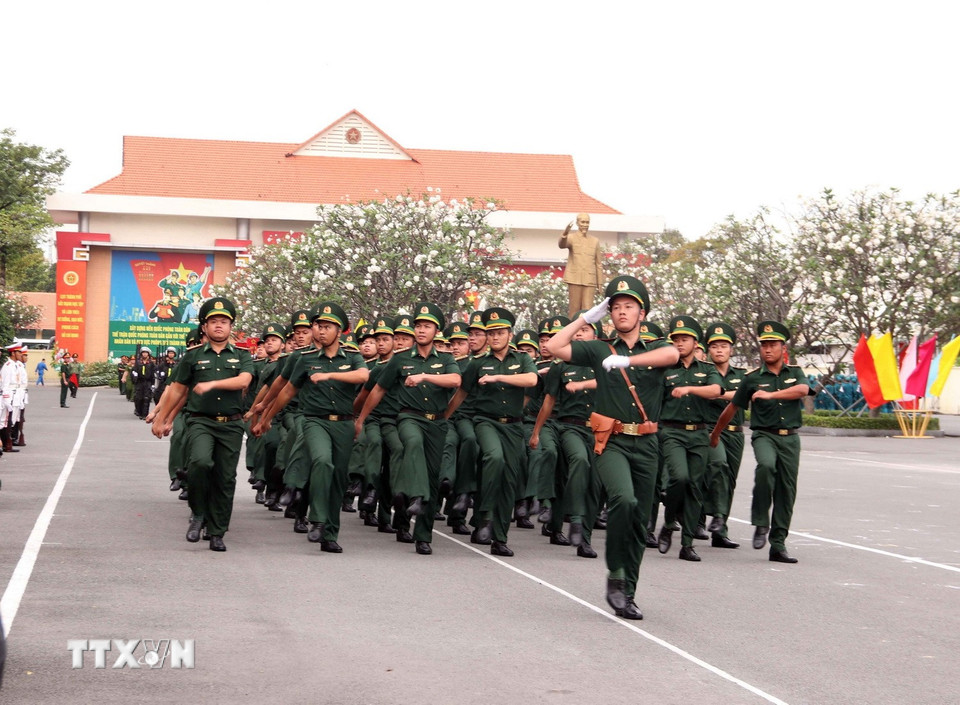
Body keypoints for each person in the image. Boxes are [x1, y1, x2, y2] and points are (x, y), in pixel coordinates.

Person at [544, 276, 679, 620]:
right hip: (611, 442)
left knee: (638, 522)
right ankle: (615, 576)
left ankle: (627, 592)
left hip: (647, 443)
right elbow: (556, 348)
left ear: (642, 313)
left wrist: (629, 362)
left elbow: (673, 353)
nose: (621, 312)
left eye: (628, 307)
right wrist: (585, 319)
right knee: (624, 499)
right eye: (615, 307)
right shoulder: (601, 348)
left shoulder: (655, 346)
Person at [254, 302, 369, 553]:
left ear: (340, 331)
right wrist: (266, 416)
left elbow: (363, 376)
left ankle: (329, 534)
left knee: (338, 479)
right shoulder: (305, 359)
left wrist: (330, 376)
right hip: (314, 421)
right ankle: (316, 518)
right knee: (322, 461)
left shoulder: (352, 355)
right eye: (318, 326)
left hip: (344, 424)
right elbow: (287, 391)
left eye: (327, 327)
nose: (321, 331)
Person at [355, 302, 461, 555]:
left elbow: (456, 381)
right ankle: (416, 496)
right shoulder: (400, 359)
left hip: (436, 422)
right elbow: (378, 389)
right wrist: (360, 418)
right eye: (418, 326)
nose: (421, 330)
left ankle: (422, 535)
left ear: (436, 331)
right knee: (411, 443)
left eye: (427, 326)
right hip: (408, 417)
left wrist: (425, 377)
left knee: (433, 477)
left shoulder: (446, 359)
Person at [151, 297, 254, 552]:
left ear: (231, 327)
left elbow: (243, 381)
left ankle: (217, 531)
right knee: (199, 462)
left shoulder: (242, 356)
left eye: (224, 321)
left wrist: (212, 384)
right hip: (201, 422)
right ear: (204, 327)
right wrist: (163, 418)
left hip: (230, 425)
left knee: (225, 478)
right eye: (213, 322)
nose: (219, 326)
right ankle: (198, 513)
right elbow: (177, 390)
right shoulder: (192, 356)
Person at [710, 321, 809, 564]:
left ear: (782, 348)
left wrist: (771, 395)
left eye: (772, 345)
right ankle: (761, 522)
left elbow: (803, 391)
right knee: (765, 467)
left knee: (786, 490)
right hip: (765, 435)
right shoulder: (752, 378)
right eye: (764, 345)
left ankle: (778, 544)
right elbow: (733, 407)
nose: (767, 349)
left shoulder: (795, 372)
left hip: (791, 438)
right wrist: (715, 433)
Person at [445, 307, 538, 557]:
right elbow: (461, 393)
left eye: (500, 332)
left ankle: (500, 537)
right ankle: (484, 516)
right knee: (493, 458)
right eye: (491, 333)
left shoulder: (522, 360)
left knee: (508, 479)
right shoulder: (478, 364)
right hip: (486, 421)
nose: (495, 337)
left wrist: (499, 379)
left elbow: (532, 380)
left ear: (510, 334)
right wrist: (444, 419)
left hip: (514, 425)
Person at [655, 316, 722, 562]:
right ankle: (670, 519)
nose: (680, 343)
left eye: (685, 339)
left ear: (696, 343)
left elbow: (716, 391)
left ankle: (687, 544)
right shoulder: (665, 371)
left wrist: (690, 389)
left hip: (699, 433)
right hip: (672, 432)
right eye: (676, 339)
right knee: (679, 478)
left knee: (695, 487)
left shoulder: (707, 370)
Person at [702, 322, 747, 550]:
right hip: (710, 432)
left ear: (731, 350)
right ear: (708, 350)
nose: (719, 350)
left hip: (736, 434)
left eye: (724, 346)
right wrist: (731, 395)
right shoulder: (703, 373)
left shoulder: (742, 375)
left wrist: (717, 394)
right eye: (714, 346)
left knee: (729, 481)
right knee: (717, 466)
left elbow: (746, 396)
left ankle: (721, 530)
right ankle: (712, 516)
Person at [558, 213, 604, 319]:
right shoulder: (571, 238)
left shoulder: (595, 241)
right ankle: (572, 334)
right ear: (578, 223)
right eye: (583, 222)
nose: (585, 225)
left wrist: (600, 283)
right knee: (574, 309)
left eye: (587, 222)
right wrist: (565, 233)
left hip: (590, 279)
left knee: (588, 310)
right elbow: (561, 245)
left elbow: (598, 263)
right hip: (574, 278)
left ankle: (586, 333)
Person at [131, 347, 157, 419]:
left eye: (146, 353)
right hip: (139, 382)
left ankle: (145, 414)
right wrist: (134, 376)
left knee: (146, 398)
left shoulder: (151, 363)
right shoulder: (138, 363)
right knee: (138, 398)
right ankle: (139, 411)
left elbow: (154, 373)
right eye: (143, 353)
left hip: (147, 382)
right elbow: (133, 371)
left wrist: (153, 384)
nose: (145, 354)